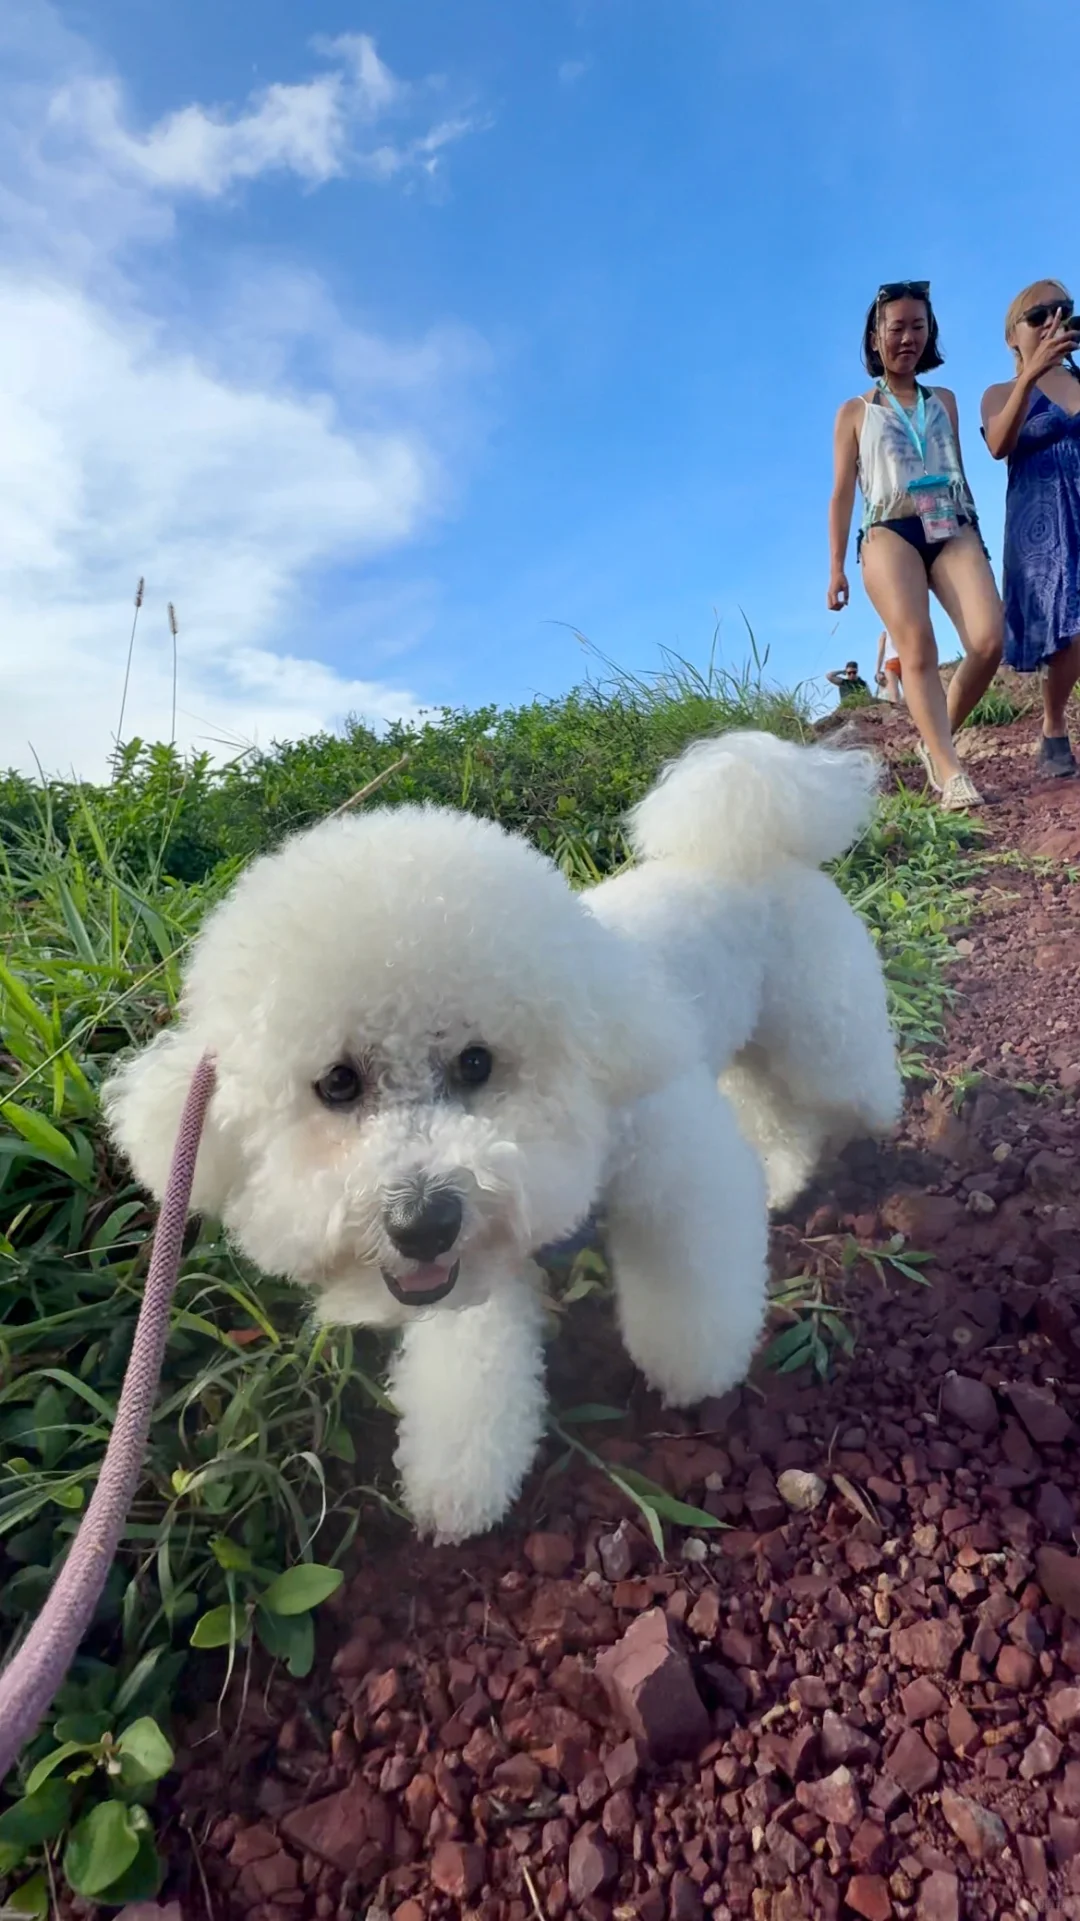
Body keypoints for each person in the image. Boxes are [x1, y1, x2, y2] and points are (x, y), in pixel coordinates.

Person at [828, 280, 1003, 811]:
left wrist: (975, 534)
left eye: (918, 327)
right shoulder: (856, 411)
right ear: (876, 336)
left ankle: (936, 737)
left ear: (931, 336)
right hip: (888, 530)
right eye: (897, 327)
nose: (908, 337)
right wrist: (835, 566)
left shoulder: (944, 401)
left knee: (989, 639)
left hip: (951, 525)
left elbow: (960, 473)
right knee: (918, 645)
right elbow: (840, 492)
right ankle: (950, 773)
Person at [981, 279, 1080, 779]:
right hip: (1041, 519)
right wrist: (1031, 376)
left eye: (1062, 311)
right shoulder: (999, 392)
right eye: (1038, 316)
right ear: (1011, 337)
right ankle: (1053, 725)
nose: (1051, 323)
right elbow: (999, 444)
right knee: (1068, 628)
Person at [875, 629, 904, 704]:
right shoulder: (901, 629)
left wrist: (877, 671)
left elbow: (881, 652)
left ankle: (898, 713)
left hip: (891, 662)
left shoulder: (884, 633)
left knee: (894, 695)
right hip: (903, 660)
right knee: (909, 692)